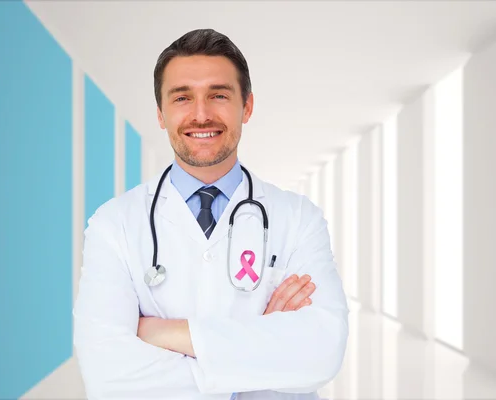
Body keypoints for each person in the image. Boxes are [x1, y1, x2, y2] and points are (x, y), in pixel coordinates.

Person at [73, 28, 349, 399]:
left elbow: (321, 351)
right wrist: (256, 353)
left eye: (218, 95)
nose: (201, 115)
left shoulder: (300, 219)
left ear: (247, 106)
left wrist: (163, 333)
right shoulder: (114, 225)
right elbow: (107, 376)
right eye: (182, 98)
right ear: (161, 114)